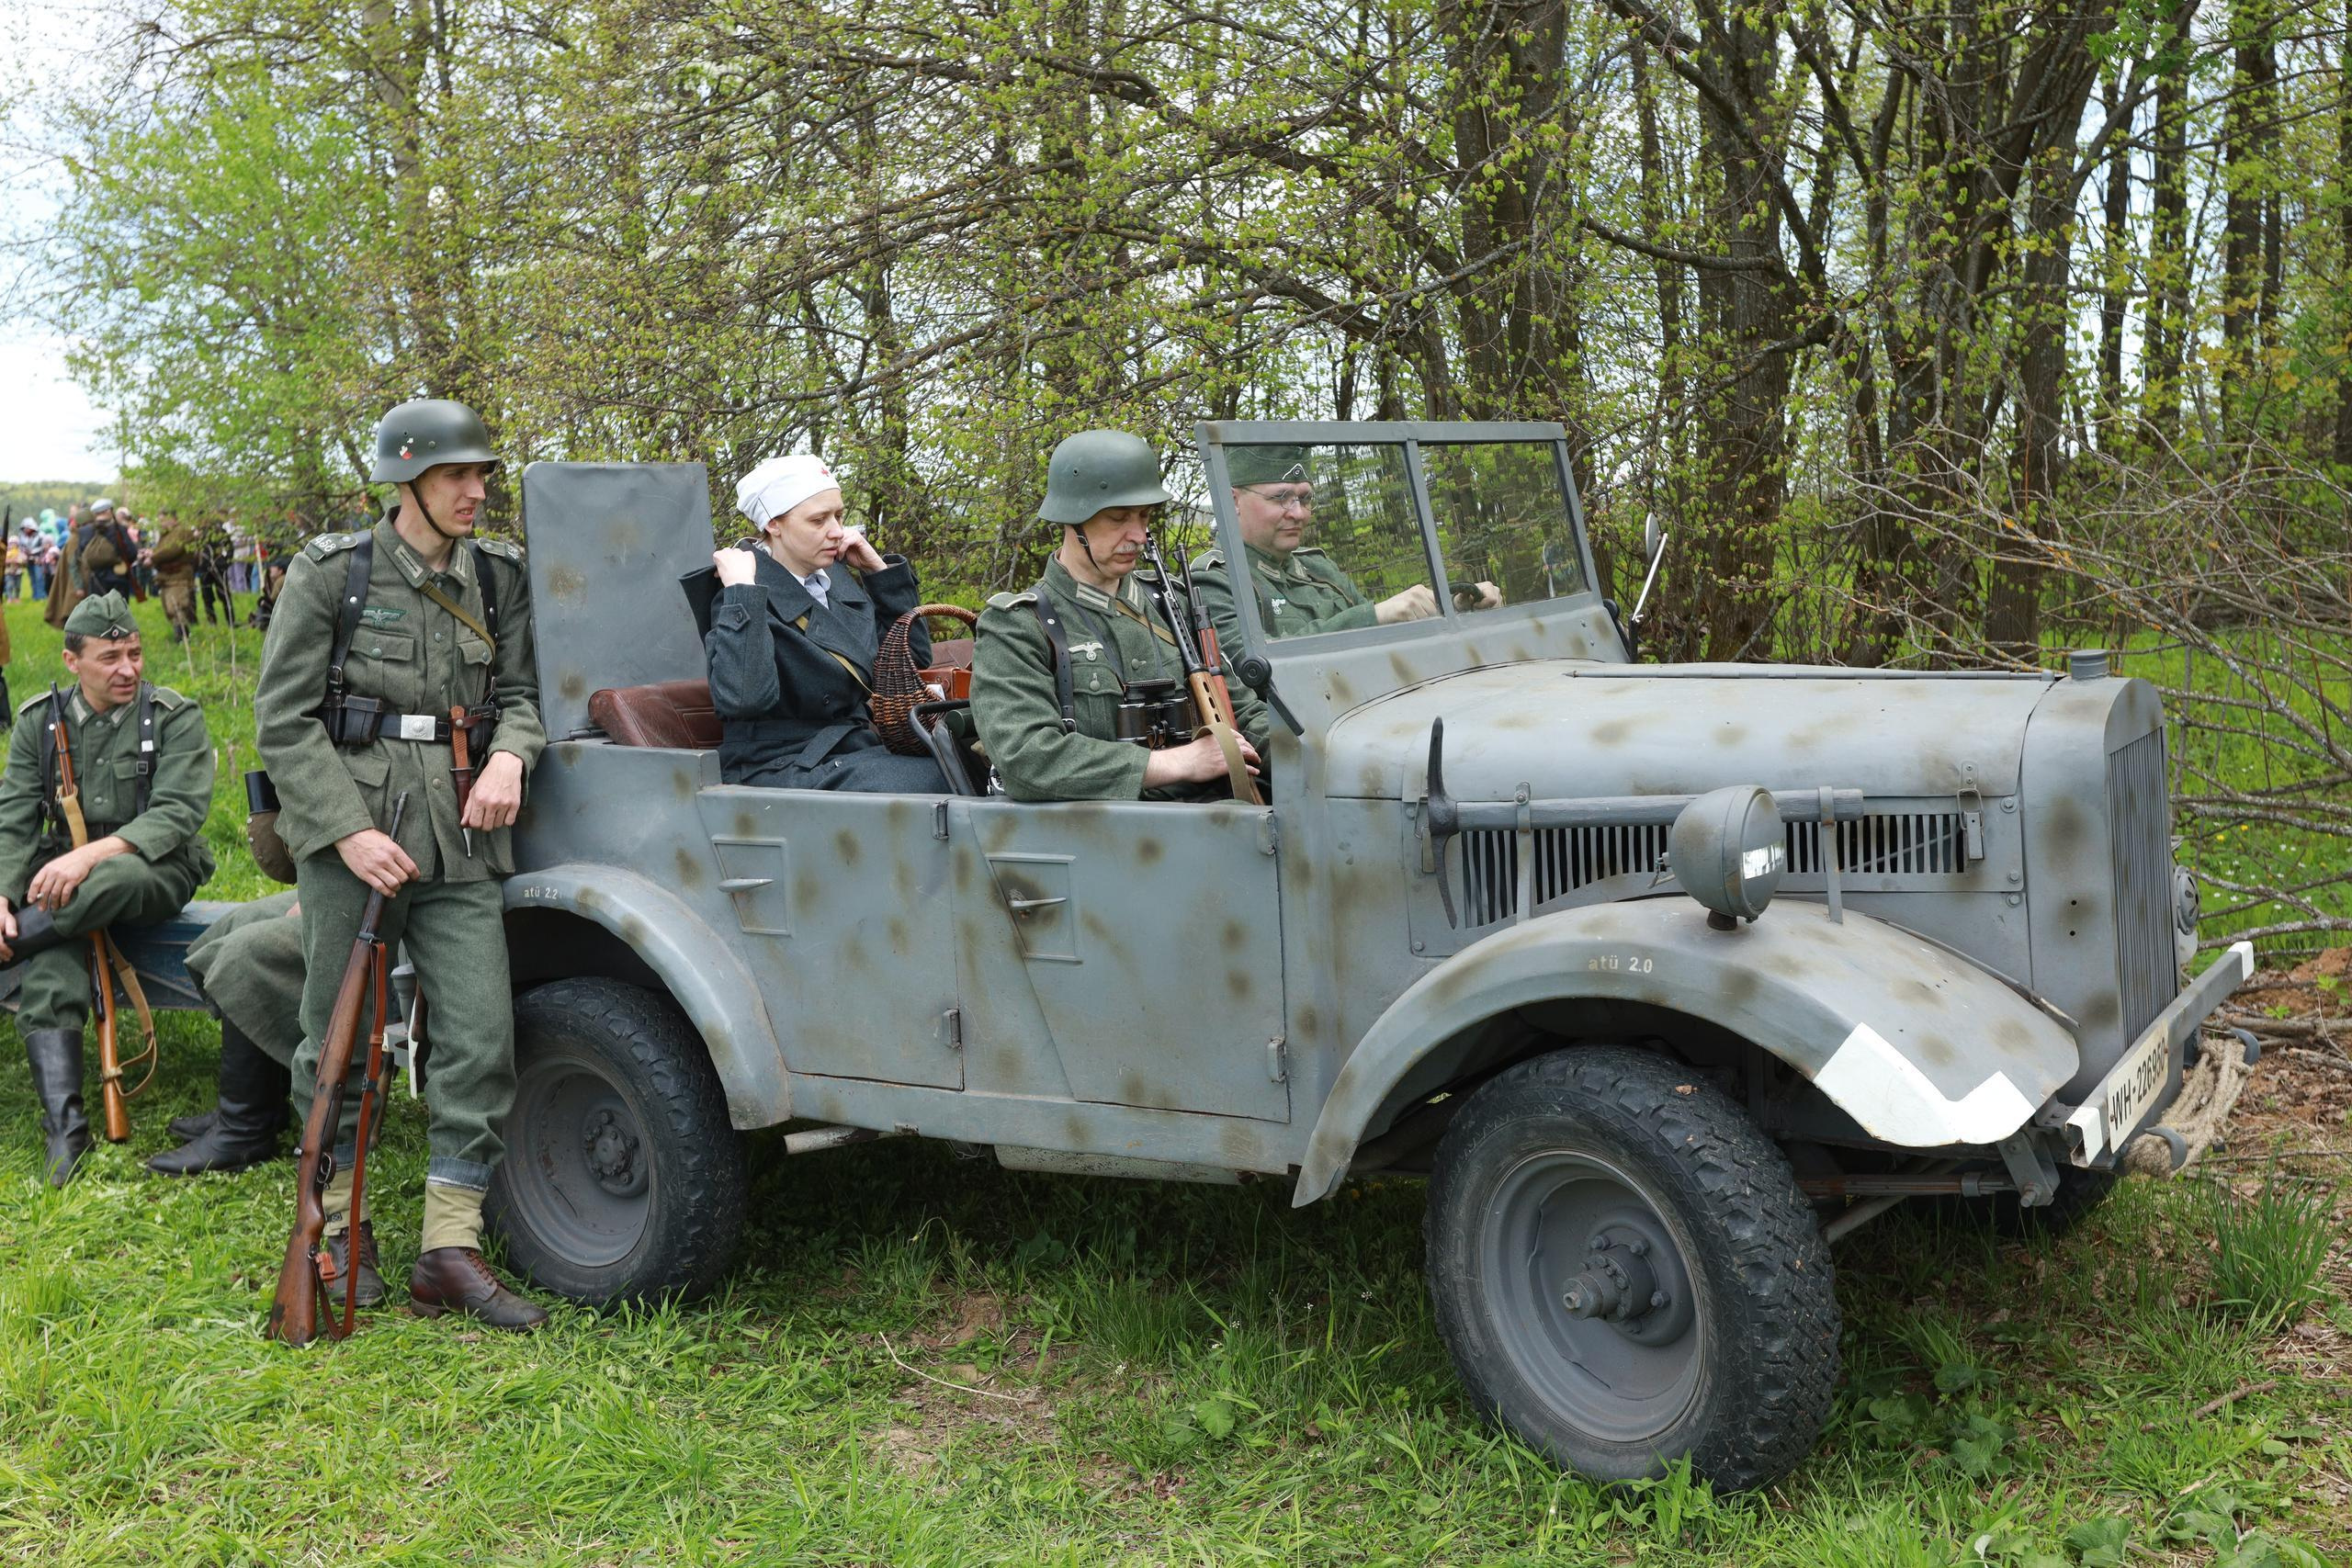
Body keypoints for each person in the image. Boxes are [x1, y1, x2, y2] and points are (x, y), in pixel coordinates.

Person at [254, 396, 548, 1330]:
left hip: (463, 838)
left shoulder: (499, 577)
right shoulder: (332, 573)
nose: (476, 490)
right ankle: (338, 1231)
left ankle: (447, 1247)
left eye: (482, 474)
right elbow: (283, 720)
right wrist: (344, 830)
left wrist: (512, 752)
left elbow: (525, 693)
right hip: (359, 838)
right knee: (335, 1041)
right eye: (458, 474)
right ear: (406, 479)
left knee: (480, 1034)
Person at [0, 592, 216, 1184]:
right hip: (65, 885)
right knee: (53, 967)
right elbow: (15, 818)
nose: (128, 669)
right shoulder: (39, 722)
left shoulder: (174, 716)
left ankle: (16, 943)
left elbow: (176, 815)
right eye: (110, 657)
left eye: (135, 653)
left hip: (151, 869)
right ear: (74, 662)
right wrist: (0, 893)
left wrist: (89, 856)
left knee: (104, 877)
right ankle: (66, 1129)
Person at [970, 429, 1267, 802]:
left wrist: (1325, 758)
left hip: (1218, 815)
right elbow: (1028, 759)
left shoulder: (1170, 603)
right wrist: (1177, 763)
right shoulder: (1017, 624)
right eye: (1118, 518)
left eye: (1144, 516)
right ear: (1072, 519)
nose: (1139, 535)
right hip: (1108, 838)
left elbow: (1243, 710)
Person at [698, 454, 949, 792]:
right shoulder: (742, 591)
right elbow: (744, 699)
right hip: (779, 762)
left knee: (970, 764)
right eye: (818, 520)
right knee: (936, 780)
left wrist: (880, 575)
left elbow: (911, 661)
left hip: (852, 748)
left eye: (839, 516)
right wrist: (744, 593)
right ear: (774, 524)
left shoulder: (834, 581)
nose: (836, 531)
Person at [1188, 445, 1496, 646]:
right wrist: (1373, 616)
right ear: (1233, 502)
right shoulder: (1214, 581)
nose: (1298, 513)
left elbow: (1384, 640)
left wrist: (1451, 609)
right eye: (1281, 497)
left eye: (1304, 498)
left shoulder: (1317, 567)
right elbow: (1251, 670)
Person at [144, 890, 300, 1179]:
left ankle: (244, 1131)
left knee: (242, 953)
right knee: (240, 922)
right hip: (343, 875)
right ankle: (262, 1106)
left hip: (378, 891)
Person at [151, 513, 202, 641]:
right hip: (167, 576)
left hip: (179, 575)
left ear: (173, 518)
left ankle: (182, 638)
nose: (161, 523)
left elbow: (172, 550)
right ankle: (182, 636)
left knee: (177, 607)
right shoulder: (166, 534)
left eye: (163, 520)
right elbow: (160, 550)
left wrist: (152, 556)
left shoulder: (183, 531)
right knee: (170, 609)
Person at [75, 497, 137, 599]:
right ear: (109, 511)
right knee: (118, 613)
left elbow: (80, 555)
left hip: (95, 580)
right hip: (118, 579)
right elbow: (132, 553)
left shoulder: (84, 532)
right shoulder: (120, 530)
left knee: (98, 612)